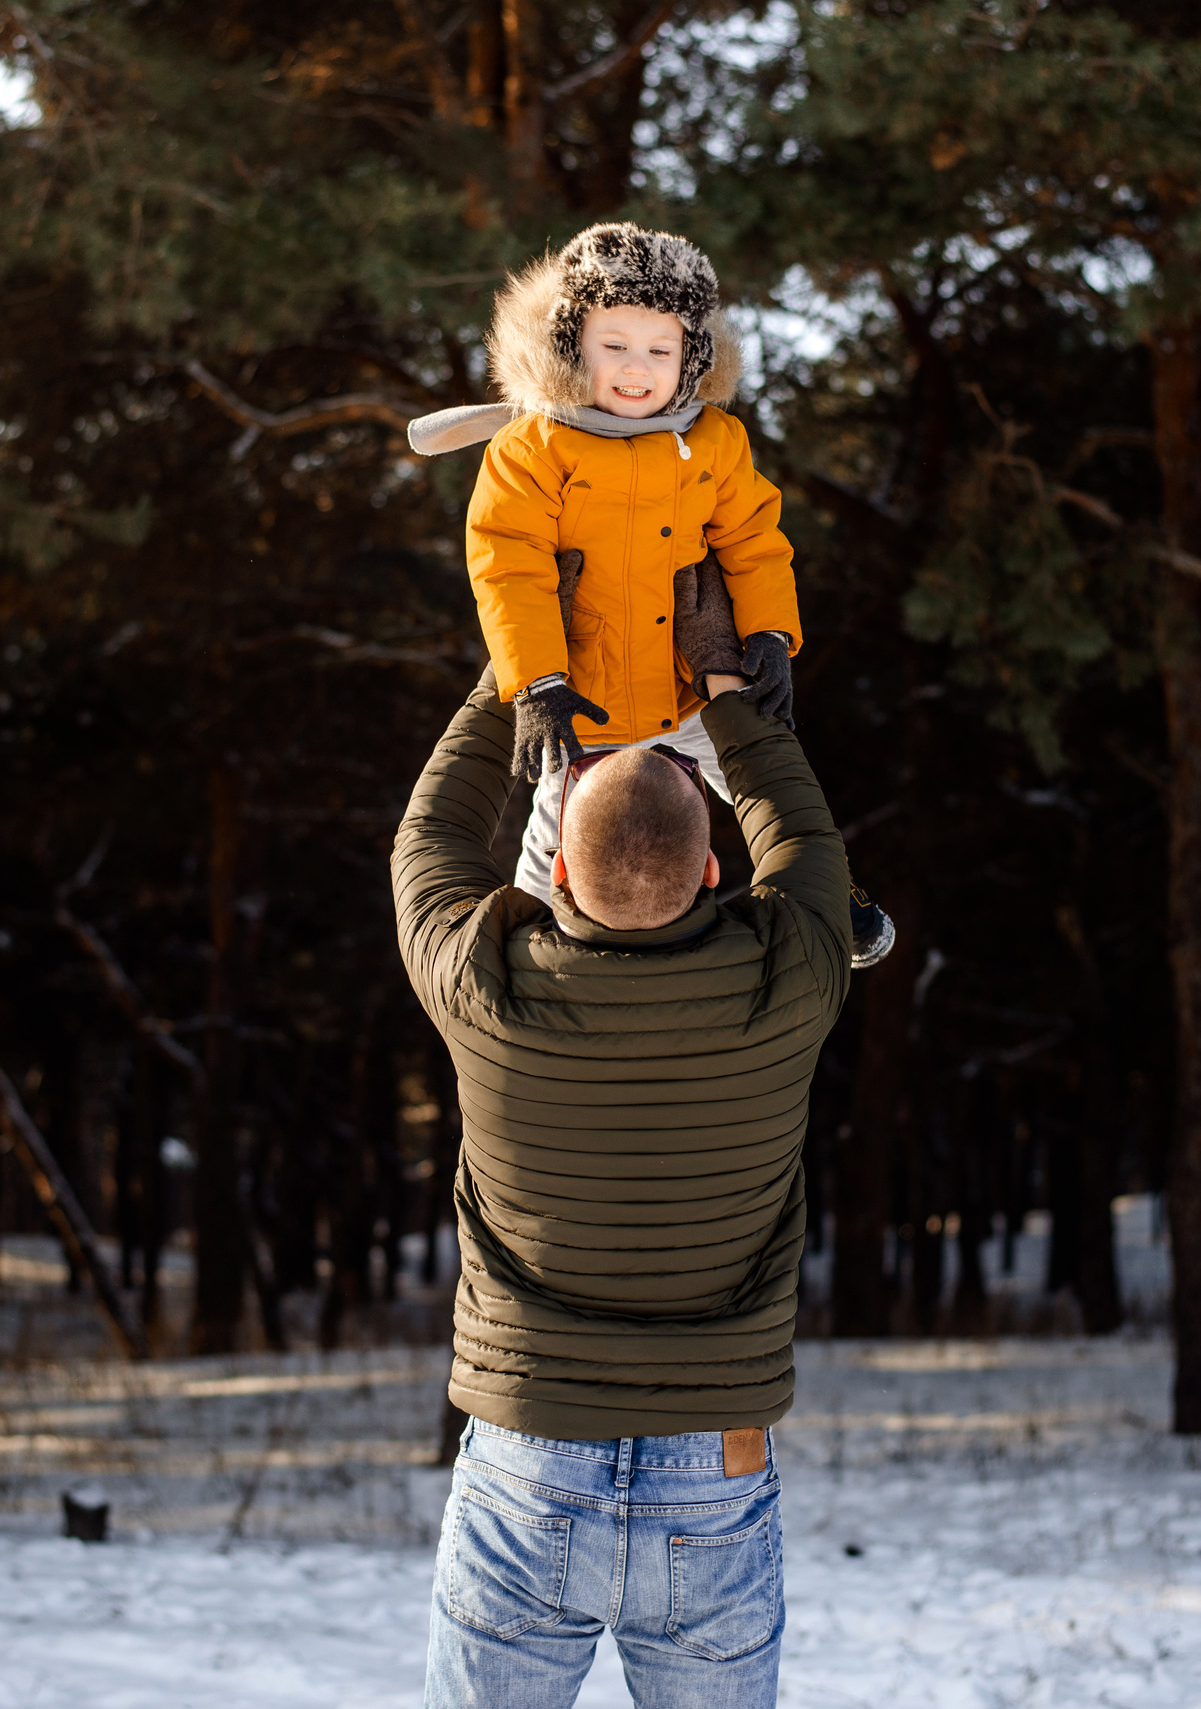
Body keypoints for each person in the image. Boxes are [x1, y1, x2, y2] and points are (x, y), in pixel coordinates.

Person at [391, 656, 854, 1709]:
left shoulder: (488, 988)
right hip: (716, 1472)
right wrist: (734, 703)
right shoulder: (791, 980)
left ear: (552, 874)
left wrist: (514, 673)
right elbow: (805, 843)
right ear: (707, 873)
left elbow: (428, 844)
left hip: (526, 1459)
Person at [407, 219, 896, 969]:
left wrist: (768, 632)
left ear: (691, 356)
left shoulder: (714, 442)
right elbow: (509, 563)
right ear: (575, 345)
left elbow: (754, 540)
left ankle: (836, 894)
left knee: (766, 788)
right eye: (615, 347)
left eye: (659, 351)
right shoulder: (533, 447)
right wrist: (536, 678)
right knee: (558, 824)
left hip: (690, 682)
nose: (637, 370)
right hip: (585, 692)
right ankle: (526, 955)